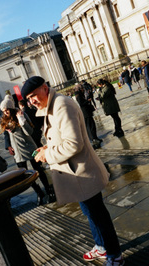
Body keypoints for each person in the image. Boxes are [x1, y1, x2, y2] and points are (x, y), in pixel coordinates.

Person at [22, 76, 124, 266]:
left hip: (83, 172)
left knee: (98, 215)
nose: (31, 101)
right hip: (77, 174)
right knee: (90, 213)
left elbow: (73, 144)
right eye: (28, 99)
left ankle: (115, 255)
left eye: (33, 95)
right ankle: (102, 247)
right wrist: (46, 148)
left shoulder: (61, 105)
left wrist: (47, 156)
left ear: (45, 88)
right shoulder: (51, 106)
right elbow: (60, 138)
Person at [0, 95, 56, 205]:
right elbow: (6, 135)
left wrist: (22, 120)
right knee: (24, 176)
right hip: (17, 151)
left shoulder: (21, 114)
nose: (5, 112)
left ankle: (49, 191)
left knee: (39, 170)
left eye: (7, 110)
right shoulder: (4, 120)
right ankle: (39, 193)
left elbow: (29, 132)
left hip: (29, 147)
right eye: (3, 111)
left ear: (11, 108)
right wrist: (8, 146)